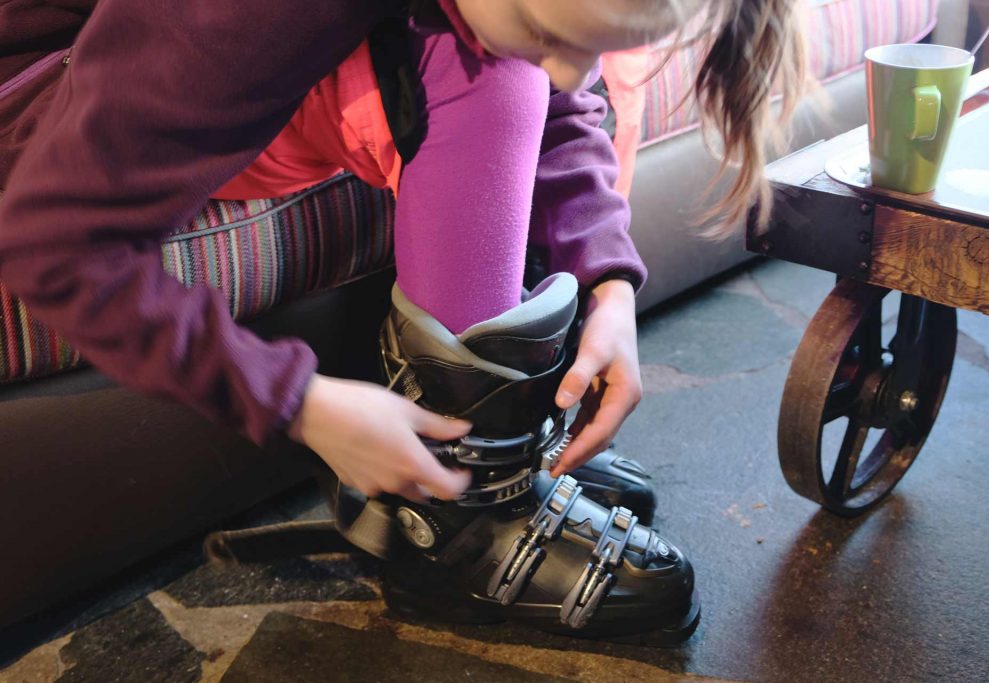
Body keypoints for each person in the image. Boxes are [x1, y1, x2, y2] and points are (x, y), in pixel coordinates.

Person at [0, 0, 805, 642]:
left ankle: (491, 451)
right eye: (546, 30)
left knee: (517, 67)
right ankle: (458, 524)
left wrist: (611, 281)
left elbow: (558, 85)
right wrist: (301, 403)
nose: (573, 72)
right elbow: (48, 243)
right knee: (484, 72)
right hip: (44, 105)